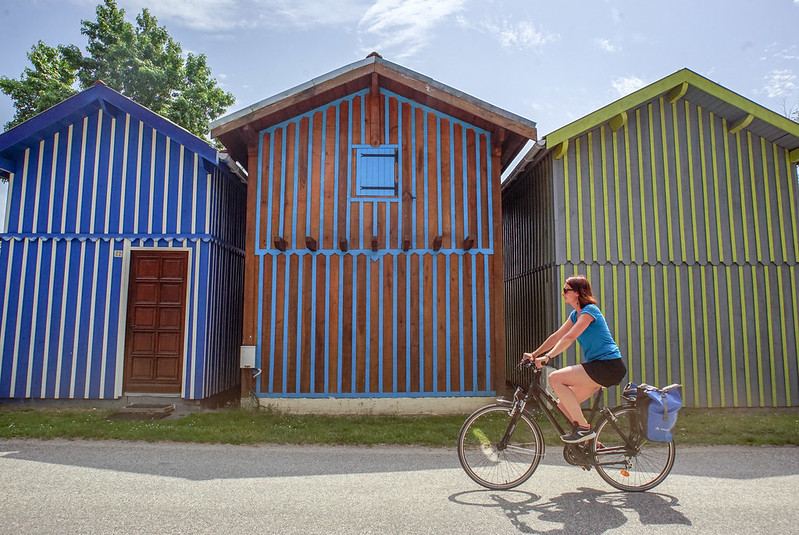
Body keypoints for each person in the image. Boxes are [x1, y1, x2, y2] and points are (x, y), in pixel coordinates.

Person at [523, 275, 626, 443]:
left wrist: (548, 357)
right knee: (563, 406)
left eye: (566, 290)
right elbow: (557, 336)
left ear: (577, 293)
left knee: (555, 378)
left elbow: (569, 338)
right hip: (598, 367)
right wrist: (534, 354)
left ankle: (584, 430)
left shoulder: (590, 311)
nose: (563, 293)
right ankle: (591, 444)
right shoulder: (575, 315)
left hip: (609, 366)